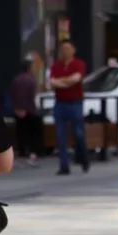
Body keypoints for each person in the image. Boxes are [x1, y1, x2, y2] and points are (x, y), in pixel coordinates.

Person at [49, 40, 90, 175]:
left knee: (78, 133)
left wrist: (61, 81)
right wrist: (67, 81)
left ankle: (83, 159)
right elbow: (52, 82)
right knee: (60, 136)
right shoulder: (56, 66)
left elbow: (76, 79)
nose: (65, 51)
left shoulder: (79, 64)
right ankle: (64, 166)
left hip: (75, 103)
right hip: (60, 103)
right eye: (63, 49)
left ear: (73, 50)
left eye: (68, 48)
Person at [10, 59, 42, 166]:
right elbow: (34, 96)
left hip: (19, 111)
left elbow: (13, 95)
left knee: (21, 133)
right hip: (31, 110)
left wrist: (16, 108)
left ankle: (22, 153)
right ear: (29, 68)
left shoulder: (16, 80)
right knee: (34, 133)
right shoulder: (32, 80)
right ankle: (33, 154)